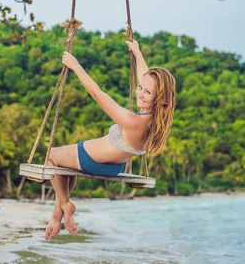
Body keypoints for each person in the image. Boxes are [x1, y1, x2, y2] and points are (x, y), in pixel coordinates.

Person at [44, 39, 176, 240]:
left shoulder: (133, 121)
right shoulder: (157, 120)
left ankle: (64, 205)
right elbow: (146, 78)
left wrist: (75, 65)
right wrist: (137, 52)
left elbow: (97, 94)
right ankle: (57, 215)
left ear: (159, 97)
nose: (140, 93)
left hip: (91, 159)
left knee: (51, 156)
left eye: (147, 92)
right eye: (140, 87)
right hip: (114, 167)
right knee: (66, 171)